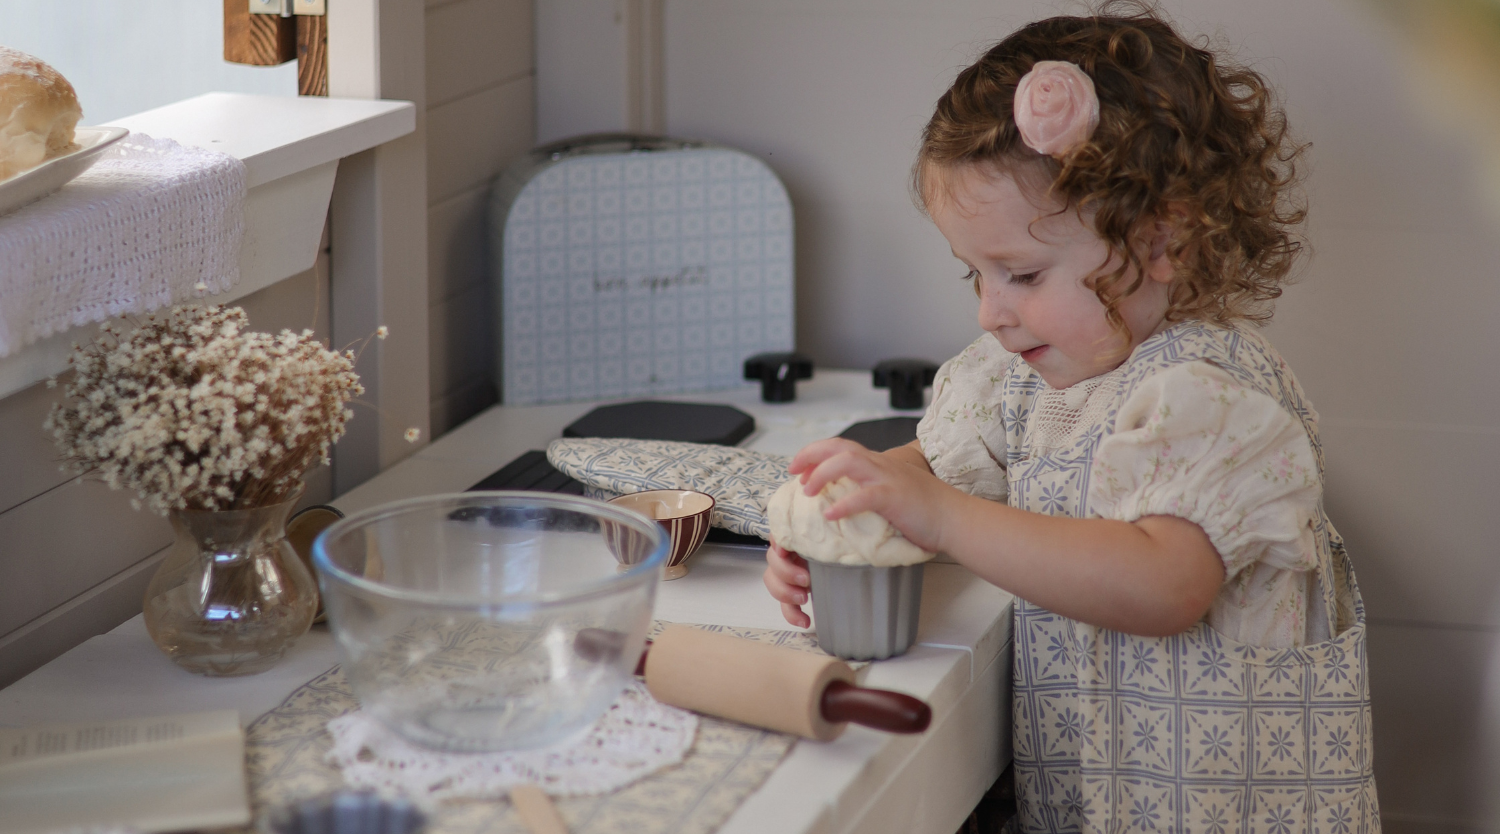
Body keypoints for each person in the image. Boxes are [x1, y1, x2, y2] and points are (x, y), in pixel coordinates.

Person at [763, 5, 1379, 832]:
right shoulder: (1020, 381)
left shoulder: (1212, 397)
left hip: (1215, 806)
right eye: (973, 276)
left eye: (1019, 274)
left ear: (1162, 239)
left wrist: (942, 518)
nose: (991, 312)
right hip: (1095, 792)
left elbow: (1165, 584)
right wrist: (835, 512)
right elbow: (930, 466)